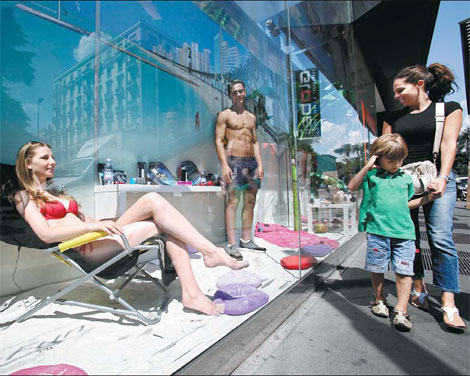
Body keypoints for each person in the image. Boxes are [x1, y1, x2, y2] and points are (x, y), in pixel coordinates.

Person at [12, 141, 249, 316]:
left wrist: (99, 223)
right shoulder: (23, 196)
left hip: (97, 237)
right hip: (89, 248)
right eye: (45, 158)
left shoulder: (57, 193)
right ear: (28, 164)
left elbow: (88, 221)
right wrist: (93, 226)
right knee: (158, 212)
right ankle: (206, 263)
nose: (52, 161)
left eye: (52, 156)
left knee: (155, 204)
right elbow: (44, 234)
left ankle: (196, 287)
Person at [382, 63, 466, 331]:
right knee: (408, 238)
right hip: (402, 182)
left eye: (400, 90)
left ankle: (449, 302)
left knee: (440, 237)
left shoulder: (448, 109)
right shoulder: (393, 118)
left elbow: (448, 144)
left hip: (437, 177)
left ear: (419, 85)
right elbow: (384, 151)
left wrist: (442, 177)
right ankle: (419, 288)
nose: (397, 96)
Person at [348, 134, 435, 331]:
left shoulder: (405, 178)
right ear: (378, 158)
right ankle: (379, 299)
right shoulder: (372, 177)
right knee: (377, 268)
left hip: (404, 233)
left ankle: (401, 310)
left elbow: (405, 203)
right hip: (378, 231)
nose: (397, 163)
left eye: (400, 159)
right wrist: (368, 165)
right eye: (391, 159)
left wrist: (426, 199)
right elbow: (352, 186)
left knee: (404, 271)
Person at [215, 79, 266, 260]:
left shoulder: (251, 117)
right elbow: (219, 141)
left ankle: (246, 239)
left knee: (250, 201)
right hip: (234, 162)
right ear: (230, 95)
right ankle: (231, 244)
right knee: (233, 202)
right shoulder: (225, 115)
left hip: (251, 163)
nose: (239, 95)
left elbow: (255, 142)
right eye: (235, 92)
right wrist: (224, 165)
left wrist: (260, 164)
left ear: (245, 92)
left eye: (241, 91)